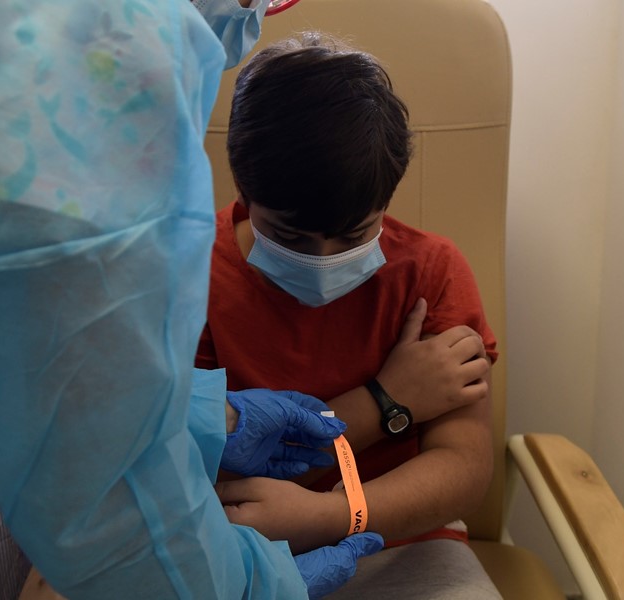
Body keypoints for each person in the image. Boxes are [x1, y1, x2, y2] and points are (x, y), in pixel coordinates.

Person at [0, 1, 381, 598]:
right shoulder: (85, 83)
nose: (253, 14)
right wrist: (258, 584)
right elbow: (121, 505)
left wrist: (204, 419)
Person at [195, 33, 502, 596]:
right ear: (244, 185)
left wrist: (333, 517)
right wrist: (387, 402)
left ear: (385, 200)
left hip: (403, 540)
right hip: (236, 549)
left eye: (354, 235)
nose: (323, 260)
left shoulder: (431, 272)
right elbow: (215, 488)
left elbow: (463, 470)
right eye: (290, 236)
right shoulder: (190, 274)